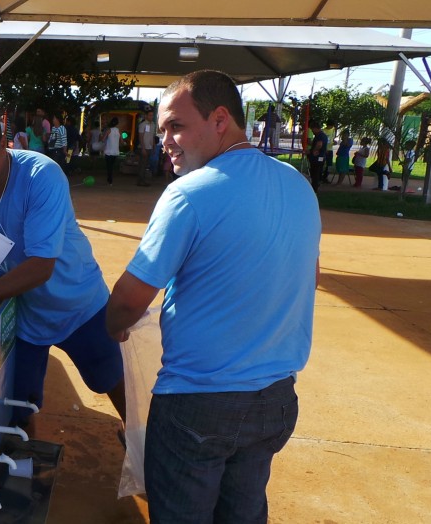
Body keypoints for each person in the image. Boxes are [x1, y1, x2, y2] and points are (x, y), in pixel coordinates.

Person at [105, 70, 321, 523]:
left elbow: (129, 298)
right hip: (275, 400)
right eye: (162, 128)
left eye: (176, 126)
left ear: (220, 119)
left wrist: (115, 327)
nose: (164, 139)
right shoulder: (298, 186)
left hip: (198, 405)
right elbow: (308, 273)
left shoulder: (189, 195)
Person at [0, 100, 126, 434]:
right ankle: (27, 462)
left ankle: (135, 439)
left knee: (109, 378)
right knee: (19, 403)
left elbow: (40, 267)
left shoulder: (40, 176)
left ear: (3, 143)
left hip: (78, 305)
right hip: (23, 314)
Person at [307, 120, 328, 192]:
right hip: (321, 157)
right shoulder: (322, 135)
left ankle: (314, 188)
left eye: (312, 129)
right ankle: (316, 185)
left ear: (315, 128)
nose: (312, 131)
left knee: (315, 172)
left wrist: (313, 151)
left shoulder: (320, 136)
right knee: (318, 172)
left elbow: (319, 144)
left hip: (317, 157)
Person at [136, 110, 156, 186]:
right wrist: (143, 148)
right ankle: (140, 181)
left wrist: (154, 146)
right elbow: (140, 137)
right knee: (142, 164)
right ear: (146, 116)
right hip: (144, 147)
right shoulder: (143, 124)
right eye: (150, 115)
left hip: (149, 147)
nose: (151, 117)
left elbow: (153, 136)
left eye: (152, 115)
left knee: (145, 164)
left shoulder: (153, 125)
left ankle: (142, 180)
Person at [100, 117, 120, 186]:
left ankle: (110, 179)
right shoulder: (118, 131)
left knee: (109, 166)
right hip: (115, 152)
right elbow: (122, 141)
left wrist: (101, 137)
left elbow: (103, 140)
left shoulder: (109, 130)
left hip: (108, 151)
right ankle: (110, 179)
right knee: (111, 166)